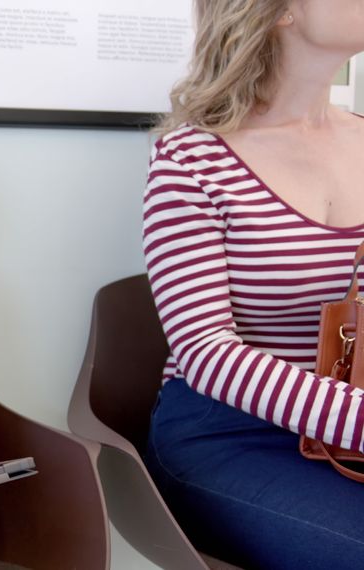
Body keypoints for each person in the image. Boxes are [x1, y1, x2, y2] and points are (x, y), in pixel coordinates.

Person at [142, 1, 364, 568]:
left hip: (346, 427)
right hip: (229, 431)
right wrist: (356, 419)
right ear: (281, 11)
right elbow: (205, 353)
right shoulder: (190, 158)